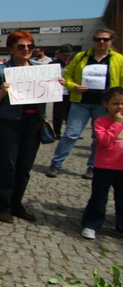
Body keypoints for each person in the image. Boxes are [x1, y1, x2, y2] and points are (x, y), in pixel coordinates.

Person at [0, 30, 46, 223]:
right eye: (21, 46)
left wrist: (58, 84)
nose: (26, 50)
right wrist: (1, 93)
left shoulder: (39, 68)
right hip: (8, 122)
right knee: (8, 165)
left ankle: (17, 205)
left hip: (33, 121)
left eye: (30, 46)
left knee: (25, 166)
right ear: (11, 49)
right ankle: (3, 206)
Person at [46, 29, 123, 180]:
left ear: (111, 41)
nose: (101, 42)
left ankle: (93, 167)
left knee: (98, 137)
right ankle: (56, 164)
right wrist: (73, 86)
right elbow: (68, 75)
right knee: (70, 134)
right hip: (80, 102)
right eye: (98, 39)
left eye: (105, 39)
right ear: (93, 40)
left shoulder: (119, 59)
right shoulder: (81, 57)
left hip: (104, 105)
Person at [79, 87, 123, 240]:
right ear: (106, 104)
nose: (120, 107)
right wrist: (117, 124)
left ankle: (121, 226)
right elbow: (104, 141)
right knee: (99, 197)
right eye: (116, 103)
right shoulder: (101, 121)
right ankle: (91, 224)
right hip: (104, 166)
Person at [50, 44, 73, 139]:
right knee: (58, 114)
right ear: (59, 54)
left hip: (71, 91)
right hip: (59, 92)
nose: (66, 57)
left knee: (71, 113)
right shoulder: (52, 65)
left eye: (68, 55)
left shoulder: (73, 63)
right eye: (64, 55)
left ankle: (70, 132)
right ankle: (57, 132)